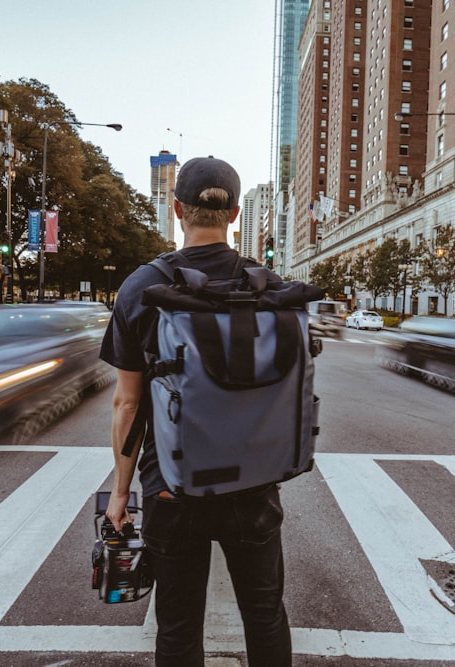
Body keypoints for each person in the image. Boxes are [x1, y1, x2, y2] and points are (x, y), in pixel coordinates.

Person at [99, 156, 292, 667]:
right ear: (232, 215)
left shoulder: (141, 287)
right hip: (251, 482)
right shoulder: (267, 285)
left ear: (177, 207)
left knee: (179, 626)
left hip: (171, 485)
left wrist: (121, 493)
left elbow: (128, 402)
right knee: (265, 612)